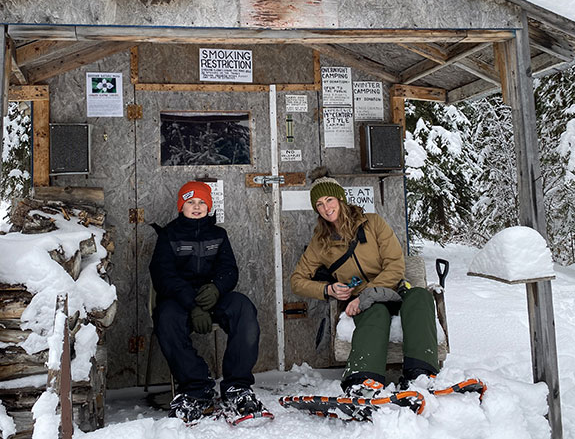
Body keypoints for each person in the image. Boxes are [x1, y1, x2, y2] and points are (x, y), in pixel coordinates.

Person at [290, 176, 439, 397]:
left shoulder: (373, 223)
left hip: (392, 290)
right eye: (319, 204)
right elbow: (297, 281)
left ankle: (420, 375)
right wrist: (327, 290)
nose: (325, 208)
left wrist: (368, 293)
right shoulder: (320, 241)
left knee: (420, 296)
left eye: (329, 200)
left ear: (341, 199)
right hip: (364, 304)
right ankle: (363, 381)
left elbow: (395, 265)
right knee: (376, 312)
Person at [149, 180, 267, 422]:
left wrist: (216, 288)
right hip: (179, 301)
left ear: (209, 206)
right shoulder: (168, 235)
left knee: (243, 307)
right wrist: (192, 305)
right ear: (181, 206)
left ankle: (237, 385)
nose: (197, 206)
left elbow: (229, 270)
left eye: (202, 202)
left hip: (214, 297)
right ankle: (196, 387)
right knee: (166, 318)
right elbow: (163, 276)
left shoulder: (219, 235)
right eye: (190, 202)